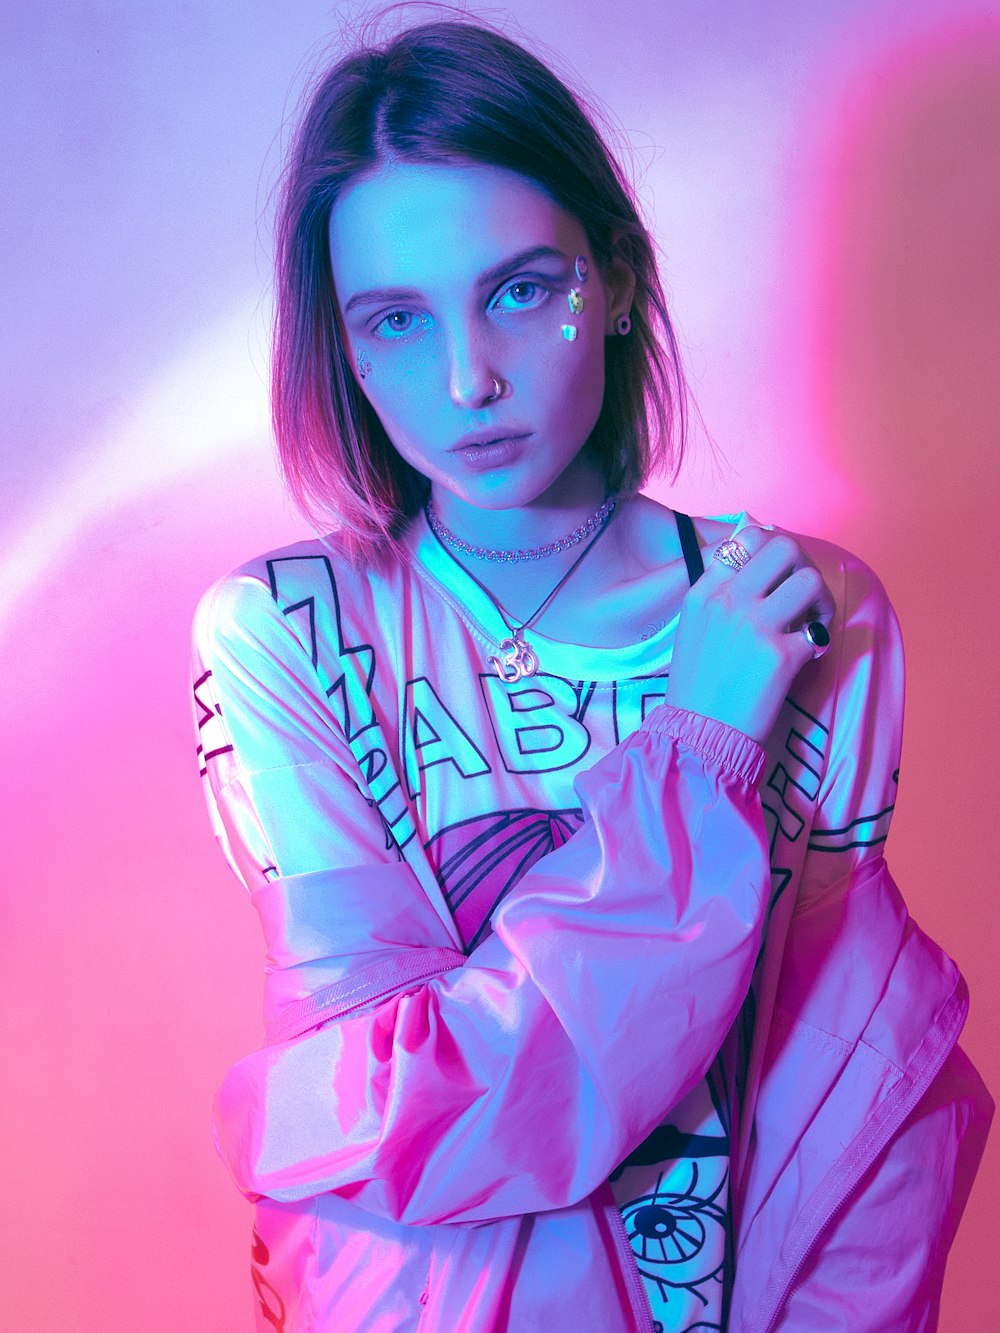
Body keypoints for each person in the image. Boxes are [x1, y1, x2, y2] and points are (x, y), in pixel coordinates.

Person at [190, 15, 992, 1332]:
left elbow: (851, 1090)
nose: (467, 379)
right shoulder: (286, 634)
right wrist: (700, 744)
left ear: (616, 279)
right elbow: (420, 1122)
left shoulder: (811, 614)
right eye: (394, 320)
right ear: (341, 342)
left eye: (519, 288)